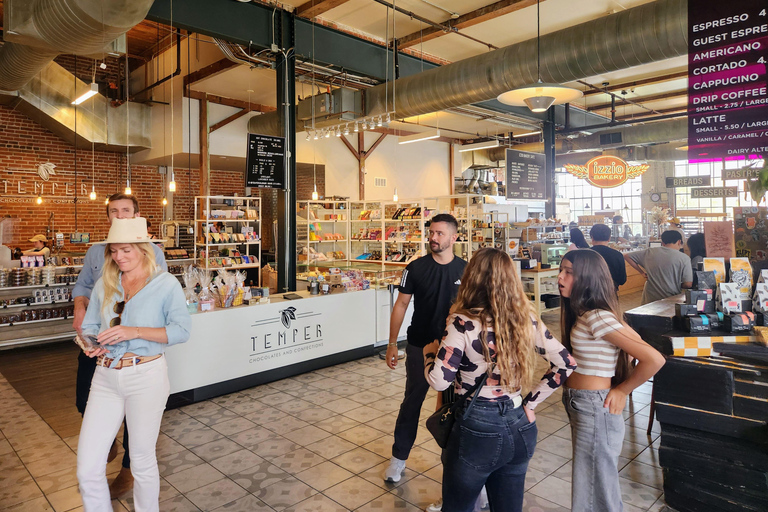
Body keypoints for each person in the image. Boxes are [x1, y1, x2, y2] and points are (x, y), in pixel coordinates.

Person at [423, 248, 575, 512]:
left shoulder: (462, 322)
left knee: (458, 506)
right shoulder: (525, 319)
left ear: (471, 277)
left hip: (476, 425)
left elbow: (439, 381)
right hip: (519, 423)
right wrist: (529, 404)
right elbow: (566, 363)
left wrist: (428, 355)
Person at [76, 217, 190, 511]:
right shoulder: (105, 282)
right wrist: (91, 344)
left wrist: (134, 331)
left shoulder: (165, 284)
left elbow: (181, 330)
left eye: (126, 250)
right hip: (105, 376)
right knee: (87, 468)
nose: (119, 257)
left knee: (141, 461)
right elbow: (89, 325)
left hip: (146, 375)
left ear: (143, 248)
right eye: (114, 251)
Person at [72, 193, 167, 499]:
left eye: (126, 211)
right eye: (114, 211)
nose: (119, 215)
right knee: (82, 399)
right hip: (100, 345)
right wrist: (79, 309)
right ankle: (107, 438)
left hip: (136, 353)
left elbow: (162, 297)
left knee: (137, 422)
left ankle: (127, 471)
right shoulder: (97, 251)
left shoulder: (153, 252)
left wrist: (139, 330)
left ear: (137, 216)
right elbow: (84, 286)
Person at [558, 250, 665, 512]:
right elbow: (634, 343)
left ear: (588, 278)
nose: (560, 277)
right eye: (561, 270)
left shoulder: (597, 316)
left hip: (595, 407)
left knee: (596, 487)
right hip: (585, 406)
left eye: (569, 272)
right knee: (593, 483)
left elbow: (653, 358)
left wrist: (622, 390)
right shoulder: (591, 314)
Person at [383, 215, 466, 494]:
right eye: (432, 232)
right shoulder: (415, 267)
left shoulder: (467, 270)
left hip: (455, 349)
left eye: (440, 233)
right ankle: (398, 459)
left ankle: (458, 467)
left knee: (457, 409)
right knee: (411, 403)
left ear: (454, 238)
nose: (434, 237)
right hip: (419, 345)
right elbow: (401, 305)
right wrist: (393, 342)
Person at [624, 230, 692, 304]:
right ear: (679, 242)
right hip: (671, 297)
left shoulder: (649, 252)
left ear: (662, 242)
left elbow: (627, 256)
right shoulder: (684, 258)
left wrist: (642, 272)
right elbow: (688, 284)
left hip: (650, 297)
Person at [589, 224, 627, 293]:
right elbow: (622, 280)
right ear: (609, 238)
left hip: (588, 293)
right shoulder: (618, 255)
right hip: (610, 293)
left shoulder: (583, 254)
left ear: (592, 237)